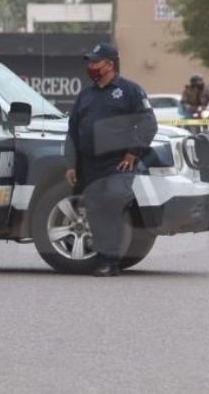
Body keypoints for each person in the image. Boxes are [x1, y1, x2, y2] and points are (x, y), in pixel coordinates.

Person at [65, 43, 157, 277]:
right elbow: (73, 130)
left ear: (109, 64)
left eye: (95, 62)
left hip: (119, 163)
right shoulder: (85, 95)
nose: (91, 66)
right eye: (89, 62)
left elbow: (148, 123)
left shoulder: (130, 91)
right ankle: (108, 261)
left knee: (113, 200)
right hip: (89, 164)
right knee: (95, 210)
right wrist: (71, 163)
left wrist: (133, 152)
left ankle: (112, 258)